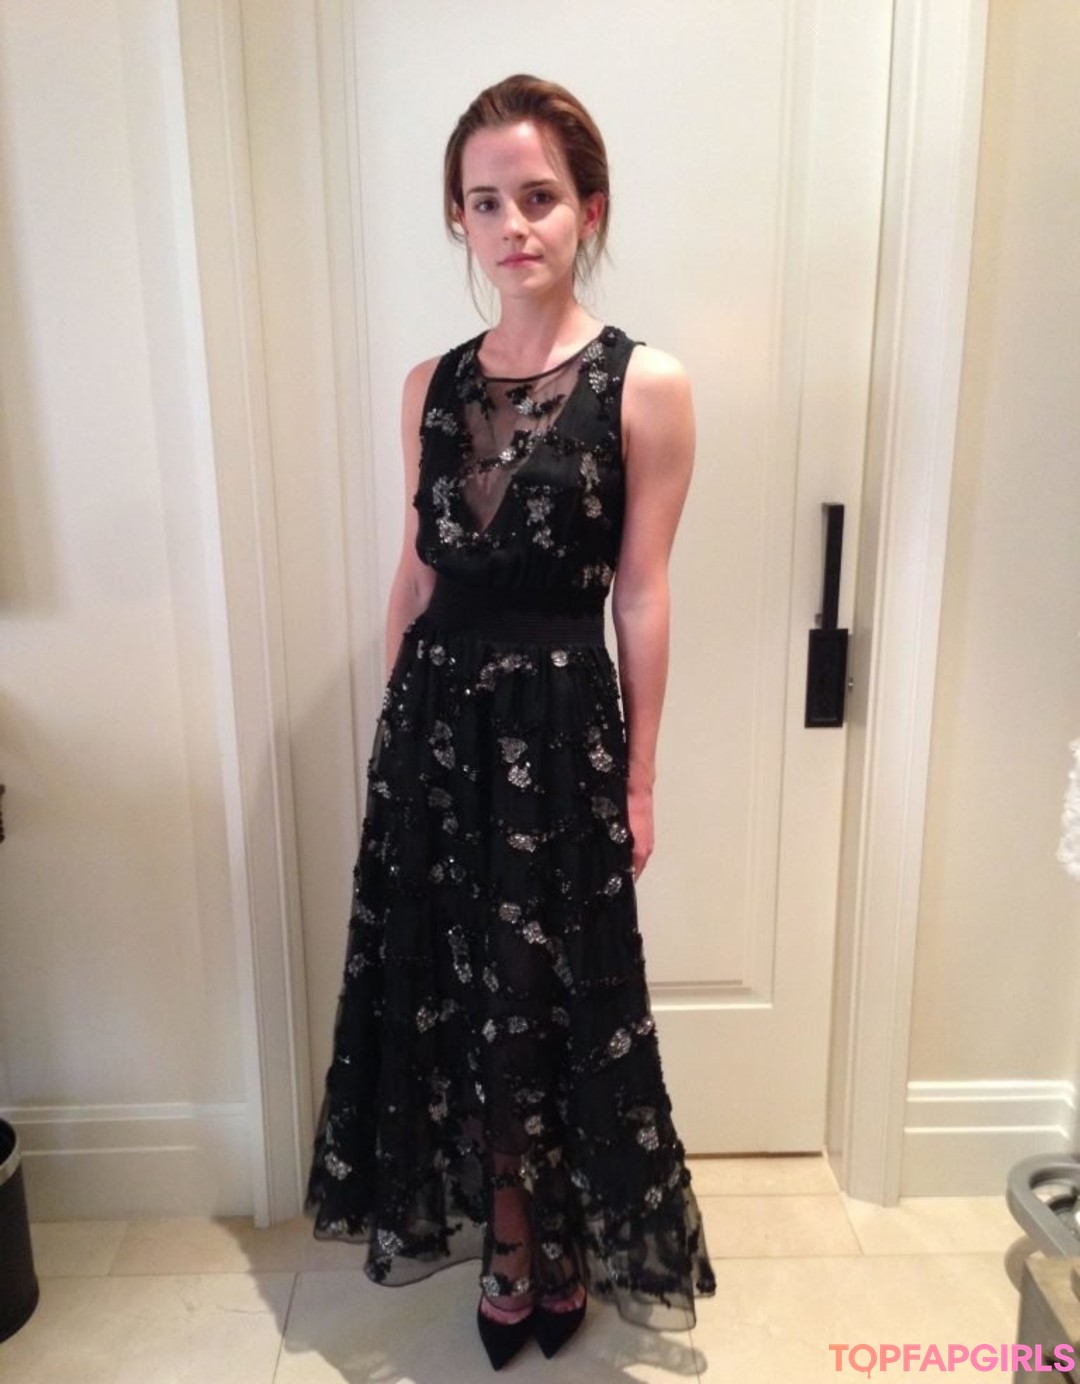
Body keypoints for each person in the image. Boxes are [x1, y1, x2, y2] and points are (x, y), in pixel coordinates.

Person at [305, 73, 716, 1370]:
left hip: (559, 730)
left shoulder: (648, 384)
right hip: (437, 730)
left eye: (537, 196)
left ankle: (560, 1234)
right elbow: (415, 573)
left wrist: (640, 779)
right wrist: (395, 744)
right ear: (458, 218)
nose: (512, 224)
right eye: (484, 202)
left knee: (540, 1001)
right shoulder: (427, 385)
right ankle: (511, 1243)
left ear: (589, 208)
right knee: (451, 995)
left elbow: (642, 593)